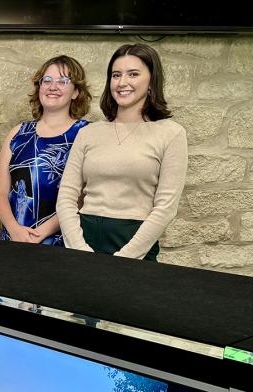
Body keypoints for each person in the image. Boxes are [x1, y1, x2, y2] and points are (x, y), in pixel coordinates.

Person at [56, 44, 187, 260]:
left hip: (134, 242)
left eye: (133, 74)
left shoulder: (171, 134)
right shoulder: (89, 133)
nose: (122, 82)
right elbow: (66, 197)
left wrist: (125, 258)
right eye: (116, 75)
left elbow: (165, 208)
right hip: (83, 238)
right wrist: (79, 249)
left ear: (152, 81)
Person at [0, 56, 91, 246]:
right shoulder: (18, 133)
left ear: (76, 92)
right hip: (14, 241)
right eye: (47, 80)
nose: (53, 87)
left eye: (63, 81)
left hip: (63, 243)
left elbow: (85, 196)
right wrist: (14, 229)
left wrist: (41, 232)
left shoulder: (86, 134)